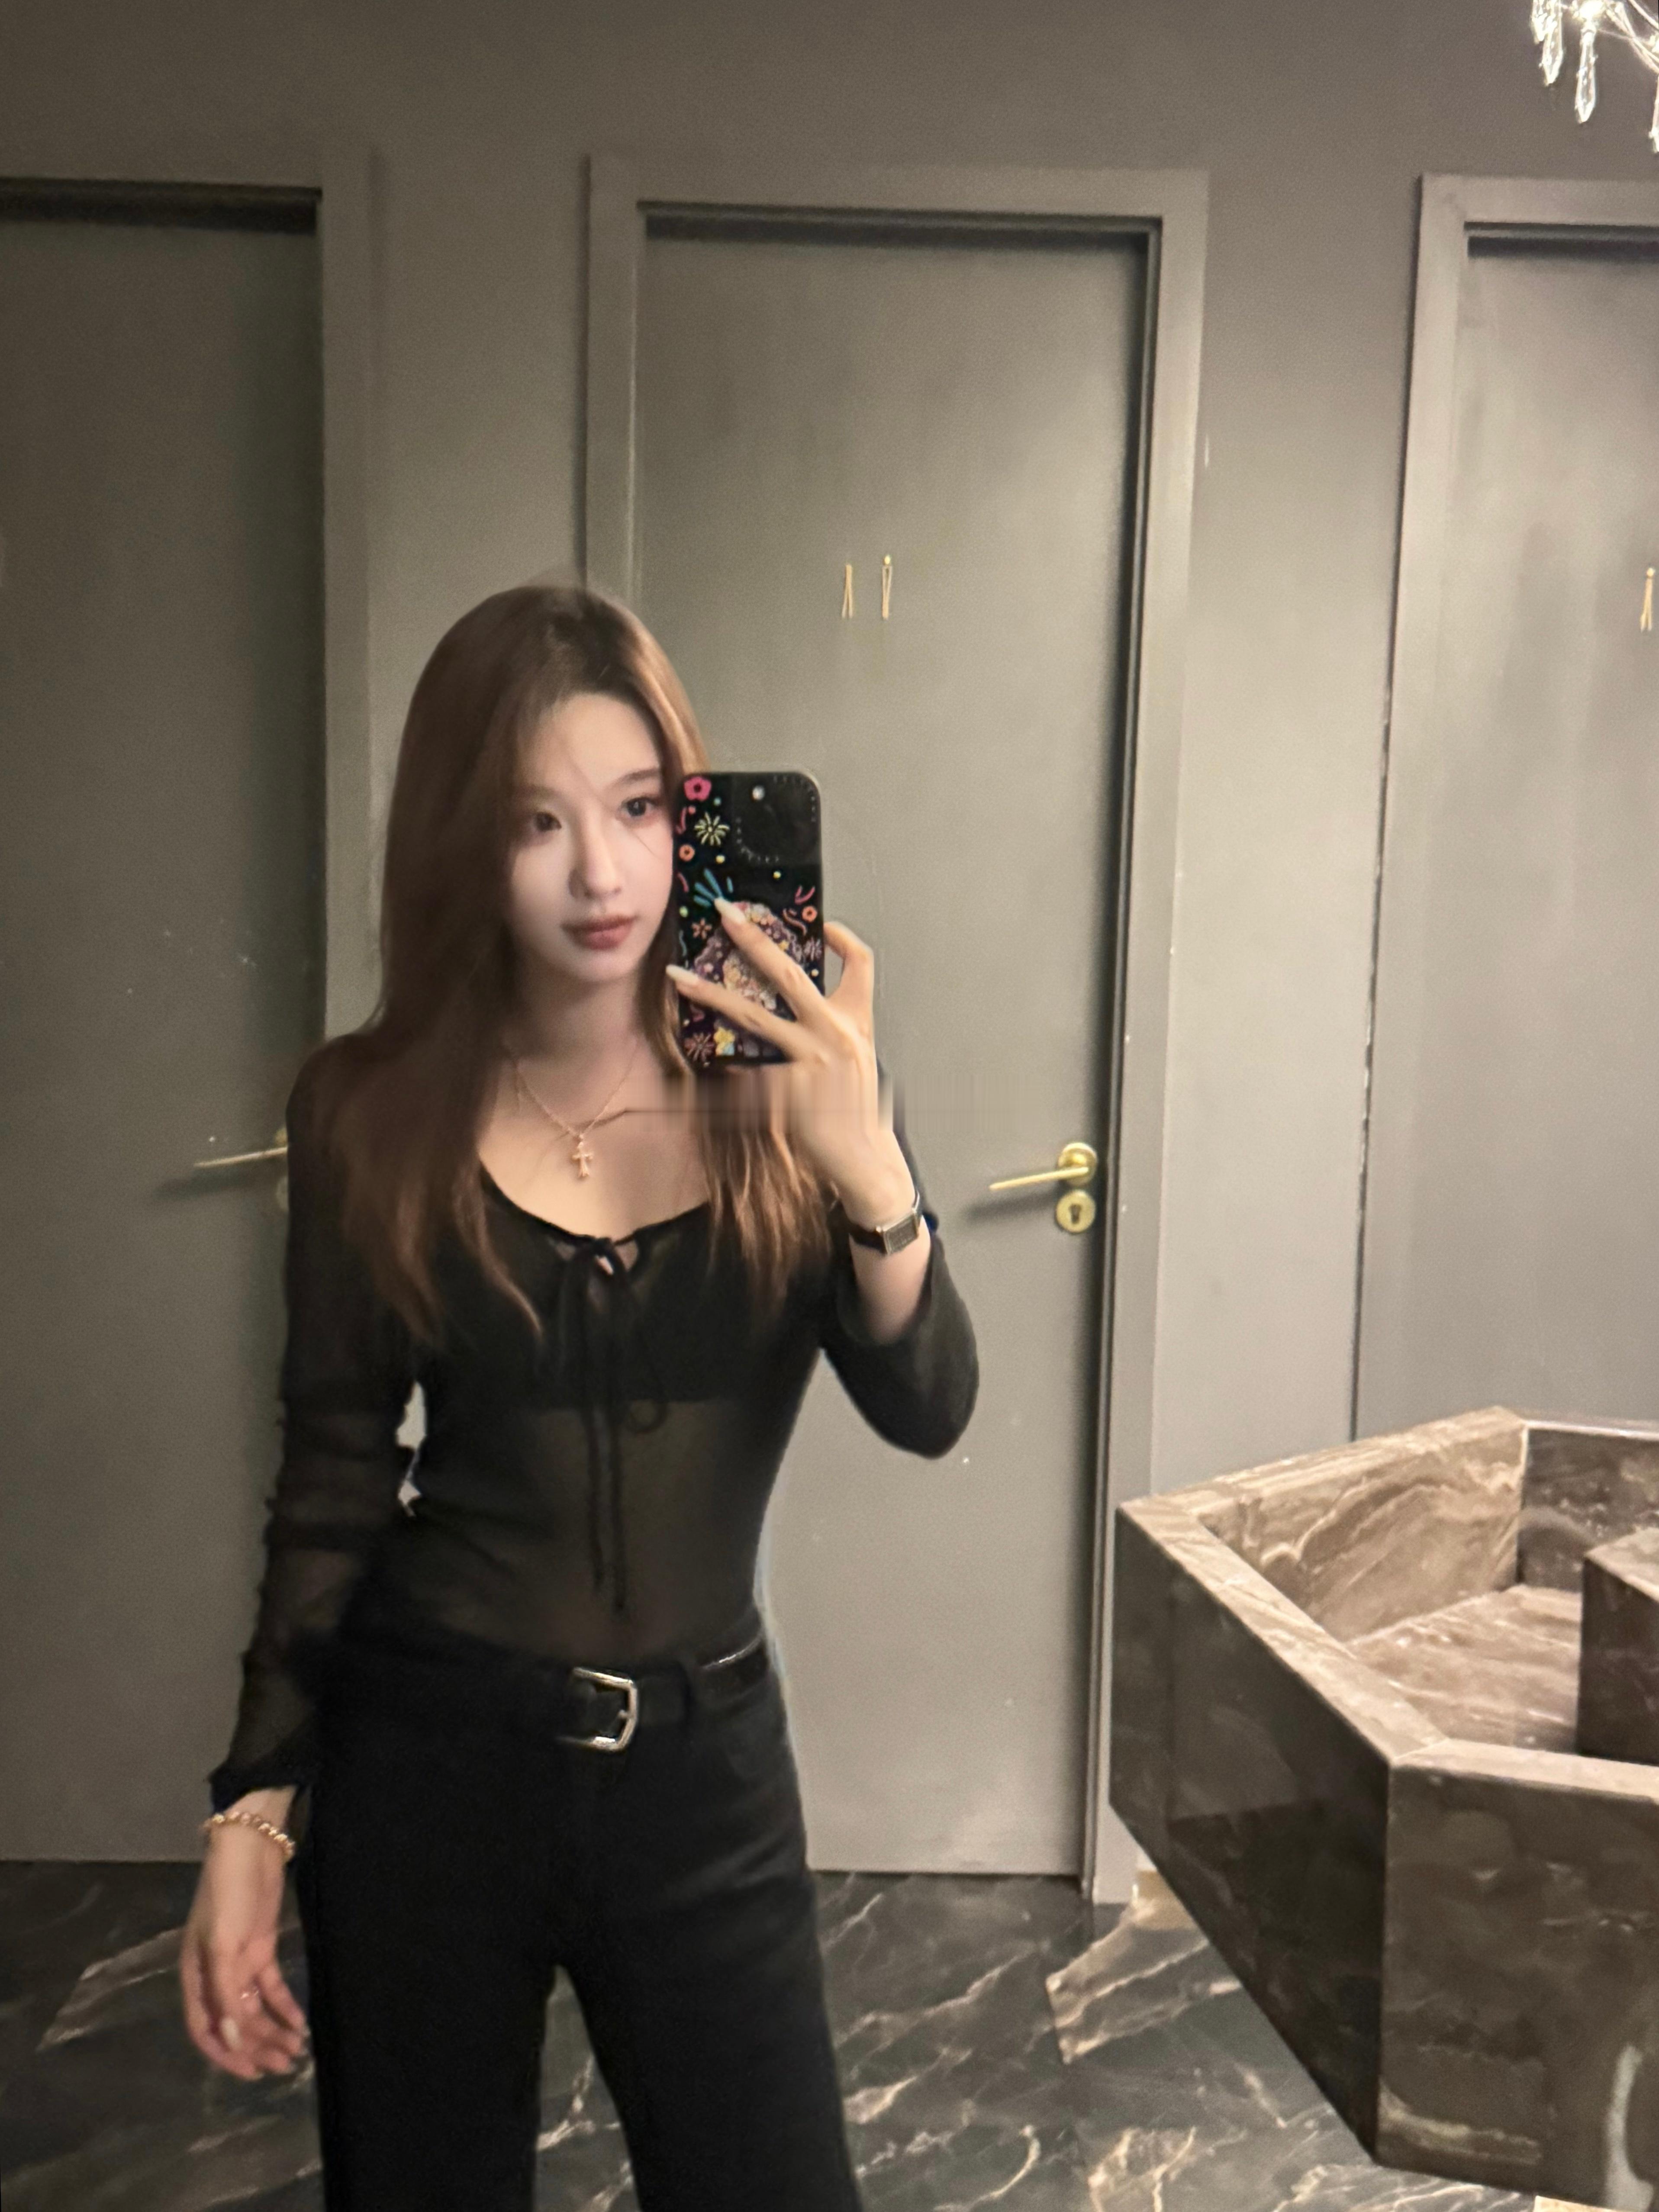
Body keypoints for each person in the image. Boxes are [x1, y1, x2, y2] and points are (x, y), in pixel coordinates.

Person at [177, 580, 979, 2210]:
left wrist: (870, 1172)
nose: (601, 875)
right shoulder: (368, 1111)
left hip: (704, 1779)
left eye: (635, 810)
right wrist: (254, 1816)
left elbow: (929, 1405)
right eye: (535, 823)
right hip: (428, 1766)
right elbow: (333, 1475)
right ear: (462, 845)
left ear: (691, 815)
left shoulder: (799, 1088)